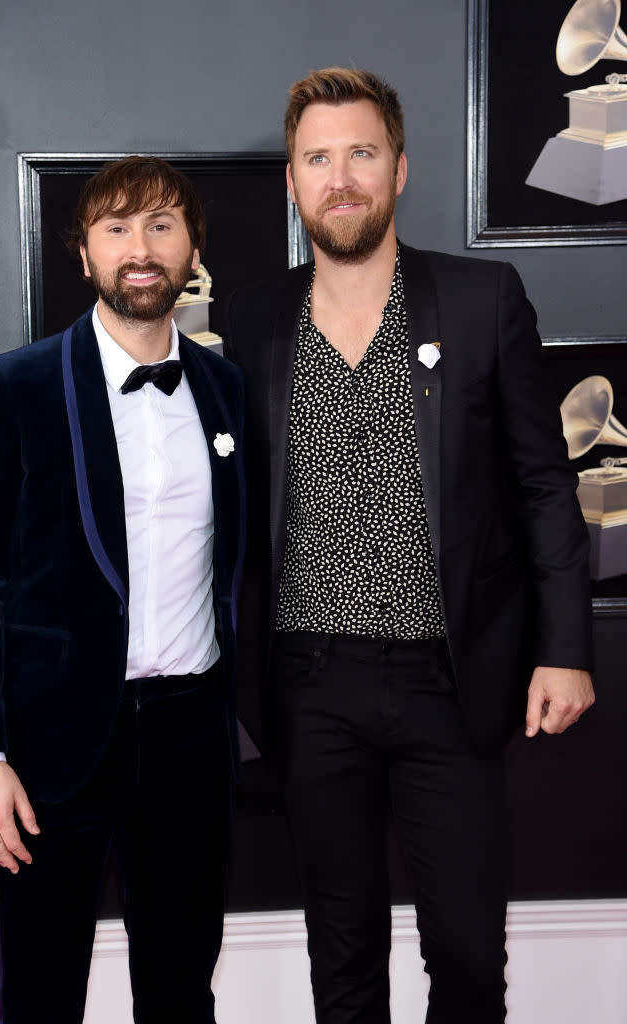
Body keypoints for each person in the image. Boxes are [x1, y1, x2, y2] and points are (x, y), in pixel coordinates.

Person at [224, 67, 594, 1024]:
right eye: (317, 158)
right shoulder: (257, 320)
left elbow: (546, 484)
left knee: (469, 961)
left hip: (450, 681)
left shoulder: (482, 298)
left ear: (400, 169)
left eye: (360, 153)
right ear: (293, 183)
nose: (339, 177)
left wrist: (563, 647)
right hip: (308, 685)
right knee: (341, 963)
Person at [0, 156, 245, 1024]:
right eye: (116, 228)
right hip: (50, 747)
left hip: (190, 736)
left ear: (193, 250)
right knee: (38, 997)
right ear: (84, 254)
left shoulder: (224, 390)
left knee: (182, 993)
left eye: (161, 225)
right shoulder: (18, 384)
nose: (140, 248)